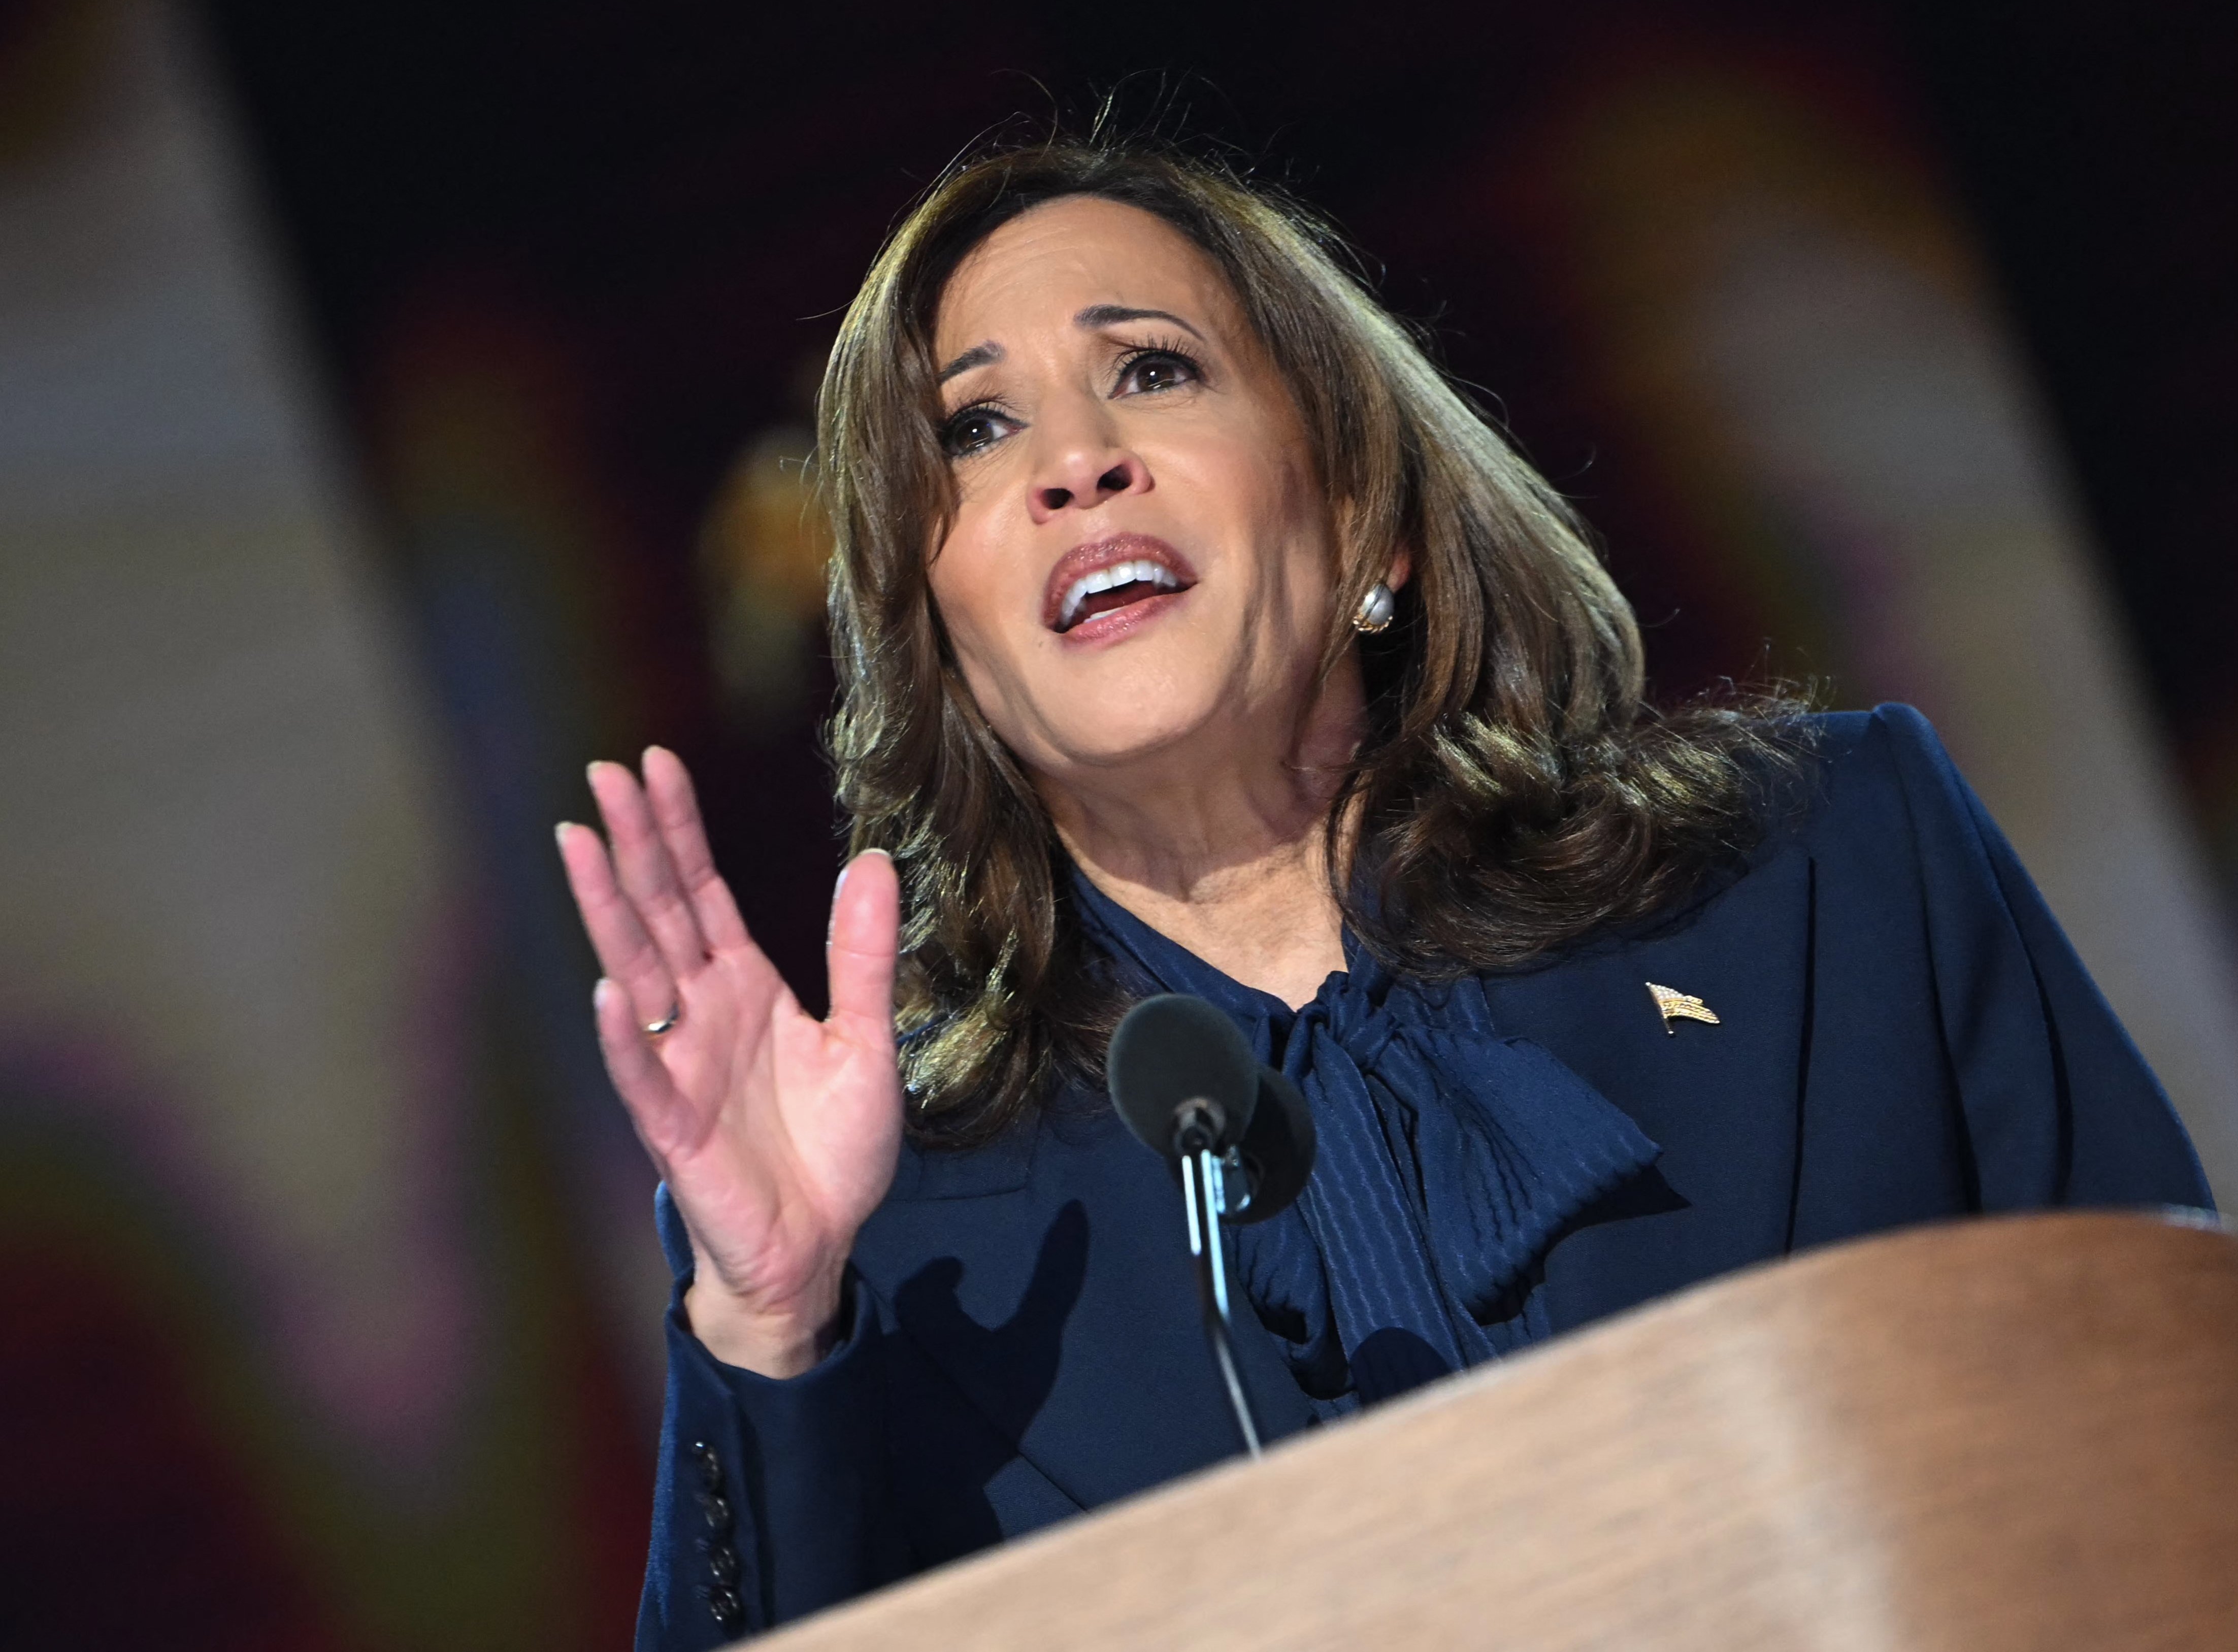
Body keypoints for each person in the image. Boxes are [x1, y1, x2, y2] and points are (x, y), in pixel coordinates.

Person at [555, 139, 2210, 1650]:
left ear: (1366, 519)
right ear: (947, 644)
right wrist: (769, 1321)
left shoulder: (1833, 870)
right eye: (976, 430)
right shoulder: (893, 1248)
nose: (1075, 460)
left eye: (1152, 367)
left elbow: (2174, 1443)